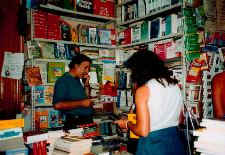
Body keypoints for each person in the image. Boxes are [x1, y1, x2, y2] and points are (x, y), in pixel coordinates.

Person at [115, 50, 186, 155]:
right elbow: (180, 120)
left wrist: (126, 124)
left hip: (153, 146)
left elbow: (143, 131)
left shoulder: (143, 90)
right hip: (174, 142)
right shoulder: (175, 86)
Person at [53, 54, 93, 130]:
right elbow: (57, 105)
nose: (87, 71)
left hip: (86, 120)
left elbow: (85, 98)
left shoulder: (77, 79)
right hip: (75, 122)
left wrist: (86, 84)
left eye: (88, 68)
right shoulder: (63, 81)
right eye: (85, 68)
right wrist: (81, 103)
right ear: (76, 66)